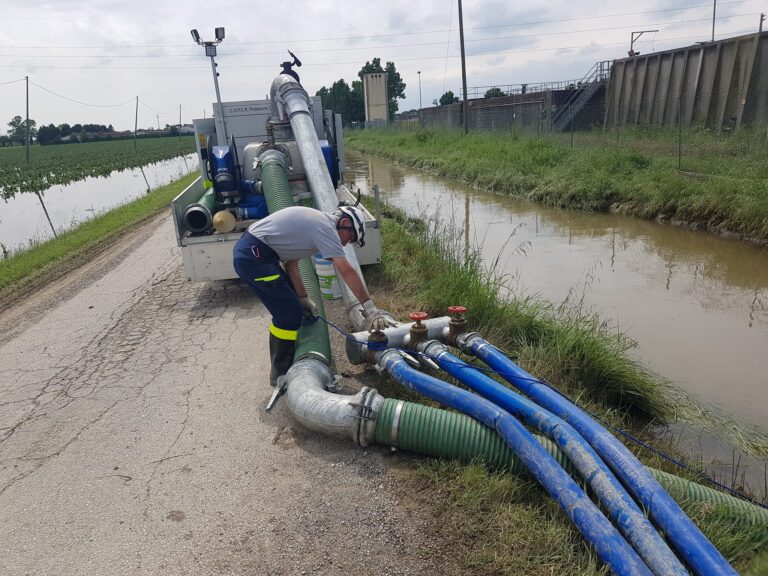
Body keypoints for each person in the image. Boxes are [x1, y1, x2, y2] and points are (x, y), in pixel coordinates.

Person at [233, 204, 396, 386]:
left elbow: (291, 265)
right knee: (287, 315)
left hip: (257, 253)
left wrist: (303, 299)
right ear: (343, 222)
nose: (344, 244)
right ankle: (280, 374)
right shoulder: (325, 228)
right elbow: (347, 270)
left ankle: (291, 358)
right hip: (255, 257)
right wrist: (370, 308)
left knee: (295, 307)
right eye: (349, 237)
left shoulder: (317, 224)